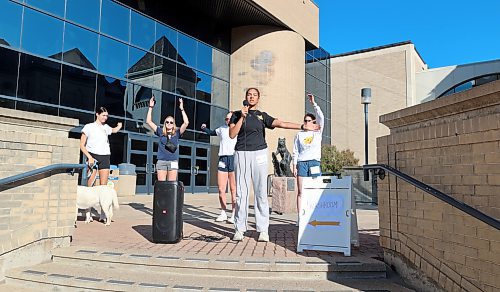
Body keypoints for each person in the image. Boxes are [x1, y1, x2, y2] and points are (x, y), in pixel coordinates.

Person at [229, 88, 320, 242]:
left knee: (261, 193)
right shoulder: (237, 114)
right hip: (241, 153)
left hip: (259, 153)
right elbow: (232, 134)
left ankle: (263, 230)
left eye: (254, 95)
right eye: (249, 95)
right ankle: (239, 229)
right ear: (245, 98)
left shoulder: (262, 116)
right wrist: (241, 118)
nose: (251, 97)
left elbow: (282, 123)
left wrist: (302, 126)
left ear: (258, 99)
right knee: (241, 194)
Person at [293, 94, 324, 224]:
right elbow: (295, 151)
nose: (306, 123)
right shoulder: (299, 134)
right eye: (304, 121)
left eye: (308, 121)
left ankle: (316, 214)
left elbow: (321, 117)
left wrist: (313, 103)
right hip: (302, 163)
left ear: (314, 123)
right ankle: (300, 217)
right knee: (301, 191)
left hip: (314, 162)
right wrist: (294, 165)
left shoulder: (318, 131)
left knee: (316, 189)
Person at [201, 112, 237, 224]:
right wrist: (204, 128)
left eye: (229, 118)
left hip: (233, 158)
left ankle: (234, 214)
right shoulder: (221, 128)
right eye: (226, 118)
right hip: (222, 159)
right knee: (221, 189)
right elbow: (212, 133)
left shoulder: (237, 129)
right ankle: (223, 212)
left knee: (233, 189)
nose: (227, 120)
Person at [146, 95, 189, 181]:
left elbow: (186, 122)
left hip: (173, 161)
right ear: (165, 123)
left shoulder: (177, 133)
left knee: (171, 186)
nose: (169, 123)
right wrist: (150, 107)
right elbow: (148, 121)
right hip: (161, 161)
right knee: (161, 186)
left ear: (174, 124)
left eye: (171, 122)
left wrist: (182, 109)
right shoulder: (160, 132)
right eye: (167, 122)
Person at [80, 107, 122, 187]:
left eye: (106, 116)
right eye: (103, 115)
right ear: (97, 114)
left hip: (105, 156)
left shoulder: (106, 127)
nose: (105, 118)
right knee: (90, 185)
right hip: (92, 156)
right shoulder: (88, 127)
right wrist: (89, 157)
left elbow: (114, 130)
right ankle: (90, 199)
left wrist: (119, 126)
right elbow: (82, 145)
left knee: (103, 186)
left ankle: (101, 199)